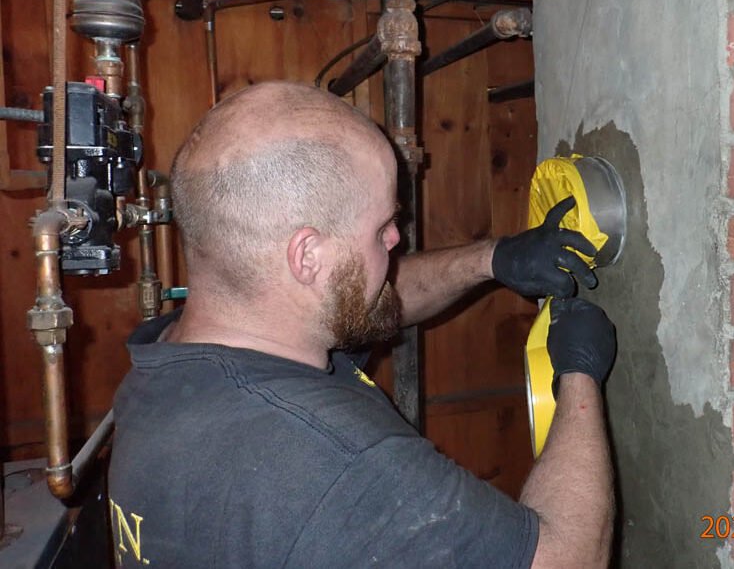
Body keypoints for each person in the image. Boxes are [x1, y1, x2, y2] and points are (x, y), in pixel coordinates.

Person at [108, 81, 617, 568]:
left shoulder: (173, 366)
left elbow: (358, 301)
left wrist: (491, 259)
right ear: (307, 256)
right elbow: (566, 561)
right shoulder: (339, 466)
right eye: (381, 229)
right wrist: (578, 375)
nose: (396, 238)